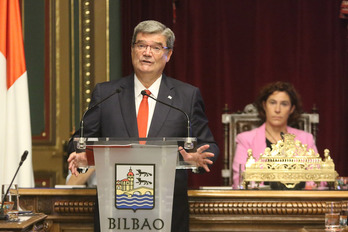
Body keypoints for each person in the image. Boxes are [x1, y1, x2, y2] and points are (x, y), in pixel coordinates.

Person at [67, 20, 219, 232]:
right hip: (115, 211)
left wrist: (195, 158)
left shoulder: (187, 96)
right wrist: (83, 155)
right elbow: (77, 142)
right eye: (141, 45)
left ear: (168, 54)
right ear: (132, 50)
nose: (147, 52)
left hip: (167, 211)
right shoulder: (107, 94)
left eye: (156, 47)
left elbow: (208, 144)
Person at [232, 81, 317, 189]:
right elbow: (240, 180)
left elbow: (317, 179)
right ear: (264, 105)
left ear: (291, 109)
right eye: (272, 102)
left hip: (298, 201)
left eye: (284, 104)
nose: (277, 110)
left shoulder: (306, 139)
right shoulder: (245, 139)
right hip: (259, 202)